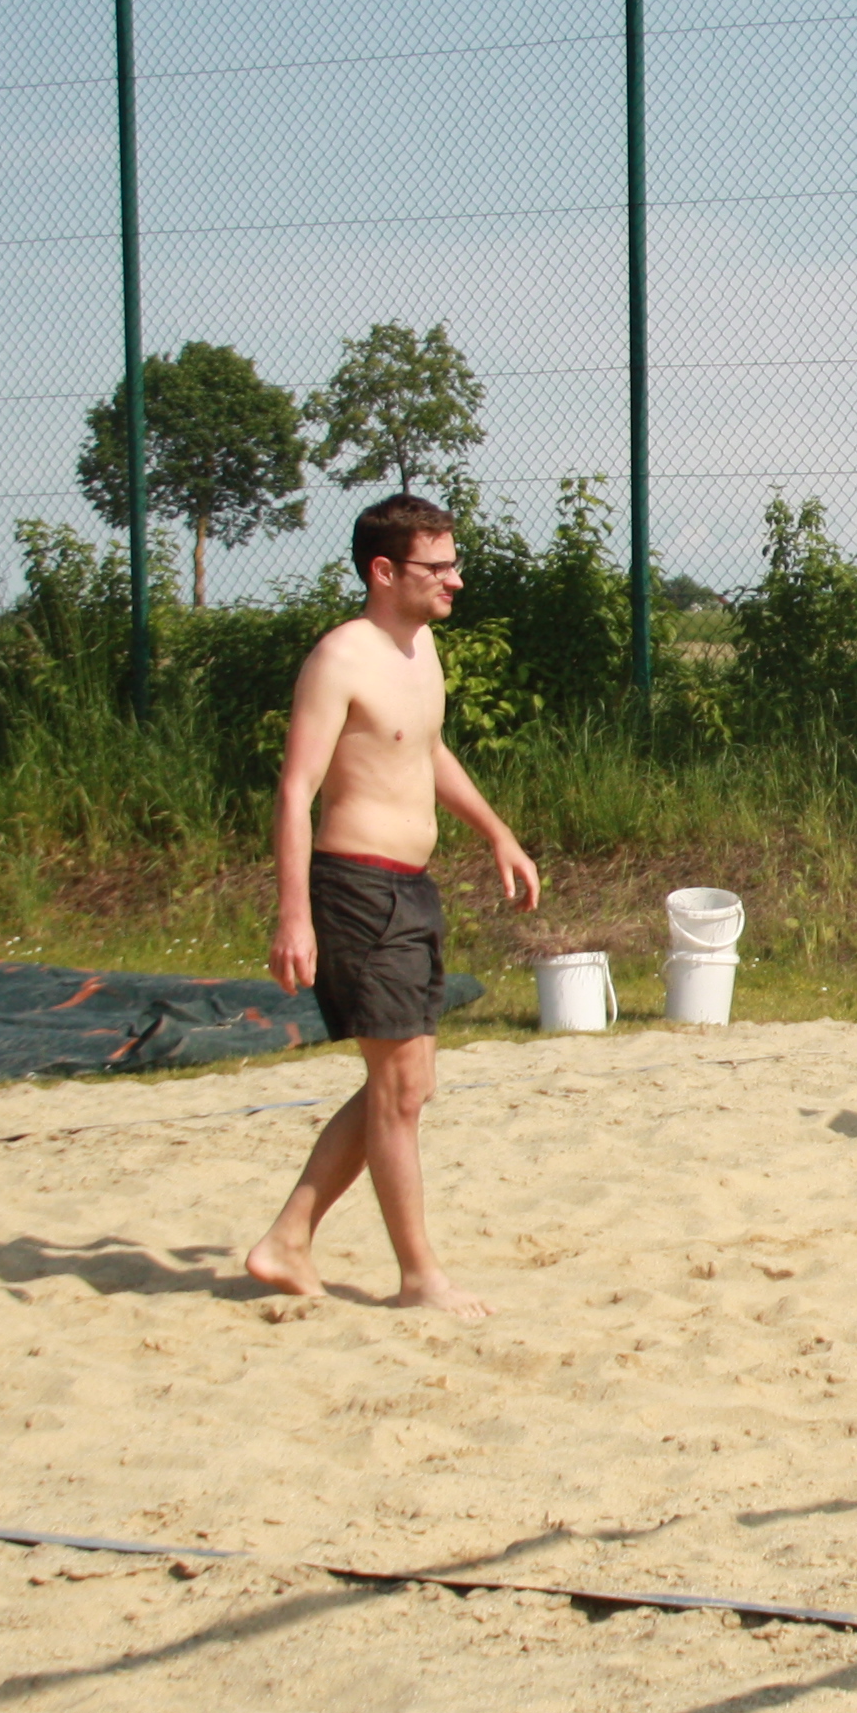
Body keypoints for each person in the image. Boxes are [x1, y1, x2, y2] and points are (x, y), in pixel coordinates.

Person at [246, 492, 539, 1317]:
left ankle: (289, 1238)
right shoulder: (341, 658)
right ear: (385, 571)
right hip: (355, 888)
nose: (456, 579)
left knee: (407, 1085)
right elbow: (296, 791)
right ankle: (419, 1277)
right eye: (437, 566)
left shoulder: (422, 651)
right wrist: (293, 913)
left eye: (453, 562)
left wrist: (496, 833)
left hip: (409, 888)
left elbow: (429, 751)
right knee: (400, 1086)